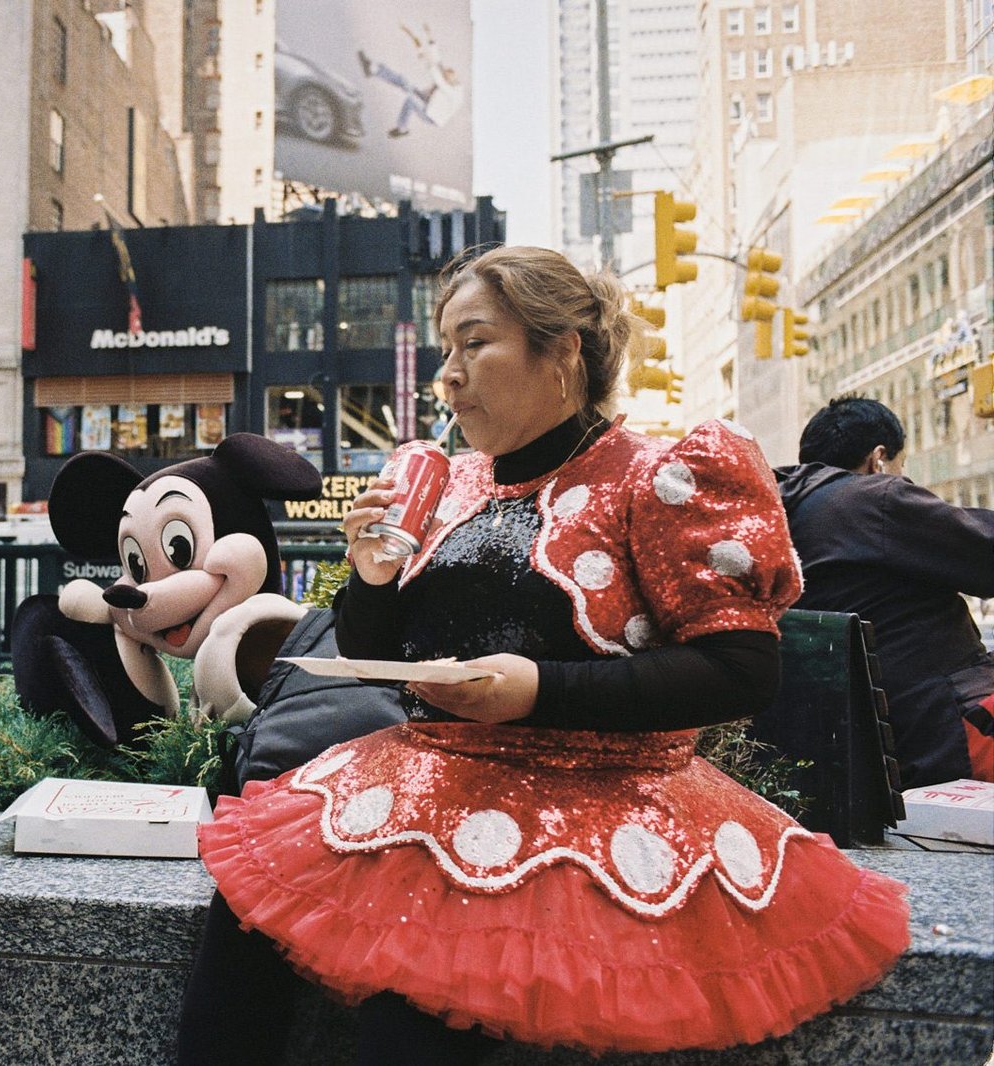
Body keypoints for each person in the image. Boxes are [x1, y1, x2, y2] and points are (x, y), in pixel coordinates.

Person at [178, 247, 910, 1064]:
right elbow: (373, 651)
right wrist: (373, 578)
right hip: (416, 789)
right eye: (445, 350)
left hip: (594, 814)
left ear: (562, 352)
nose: (448, 377)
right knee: (238, 938)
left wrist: (539, 691)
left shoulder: (661, 477)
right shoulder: (449, 482)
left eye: (475, 343)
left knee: (409, 1034)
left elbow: (742, 670)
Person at [777, 396, 994, 787]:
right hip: (948, 729)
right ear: (878, 458)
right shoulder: (874, 499)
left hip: (860, 742)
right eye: (900, 465)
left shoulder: (787, 511)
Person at [357, 24, 463, 138]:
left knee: (411, 100)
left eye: (446, 77)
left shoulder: (453, 92)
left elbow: (437, 77)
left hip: (431, 116)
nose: (444, 76)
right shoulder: (448, 79)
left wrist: (424, 58)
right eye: (445, 74)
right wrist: (429, 35)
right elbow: (437, 60)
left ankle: (402, 129)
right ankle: (374, 69)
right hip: (428, 101)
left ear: (451, 80)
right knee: (404, 81)